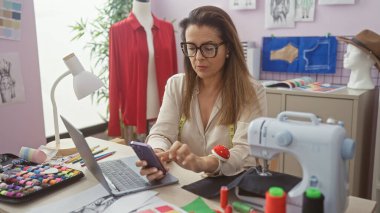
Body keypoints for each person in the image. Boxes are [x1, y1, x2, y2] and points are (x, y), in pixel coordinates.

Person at [136, 5, 267, 181]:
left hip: (230, 185)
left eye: (208, 48)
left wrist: (205, 163)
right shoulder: (177, 85)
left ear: (228, 48)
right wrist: (158, 154)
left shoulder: (251, 91)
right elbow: (161, 133)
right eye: (191, 47)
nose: (198, 57)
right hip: (184, 183)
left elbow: (246, 151)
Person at [108, 0, 177, 141]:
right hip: (134, 105)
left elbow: (174, 74)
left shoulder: (167, 29)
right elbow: (115, 76)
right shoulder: (118, 31)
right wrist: (114, 121)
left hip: (165, 104)